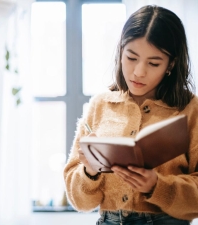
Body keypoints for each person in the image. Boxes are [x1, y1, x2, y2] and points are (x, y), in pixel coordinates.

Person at [63, 5, 198, 225]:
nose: (138, 72)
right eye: (131, 57)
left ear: (171, 64)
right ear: (120, 51)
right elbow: (80, 202)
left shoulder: (190, 109)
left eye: (154, 63)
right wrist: (89, 171)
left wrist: (157, 186)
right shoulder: (101, 105)